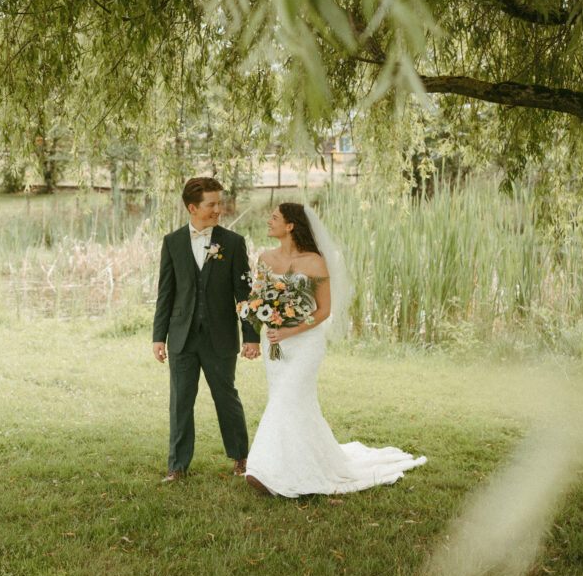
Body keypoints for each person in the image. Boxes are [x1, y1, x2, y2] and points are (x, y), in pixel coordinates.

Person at [245, 202, 427, 497]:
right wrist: (259, 324)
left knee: (286, 398)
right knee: (290, 403)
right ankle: (293, 463)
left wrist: (289, 328)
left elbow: (324, 310)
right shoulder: (264, 258)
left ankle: (262, 470)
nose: (269, 221)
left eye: (275, 218)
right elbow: (257, 299)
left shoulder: (314, 261)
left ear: (291, 225)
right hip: (275, 344)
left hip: (304, 344)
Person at [152, 178, 261, 482]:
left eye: (218, 203)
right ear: (192, 208)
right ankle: (177, 466)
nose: (218, 209)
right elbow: (166, 293)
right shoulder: (172, 242)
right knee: (180, 401)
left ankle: (241, 458)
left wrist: (251, 337)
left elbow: (245, 295)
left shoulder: (233, 242)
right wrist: (158, 337)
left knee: (226, 397)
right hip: (182, 336)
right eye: (211, 204)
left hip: (220, 337)